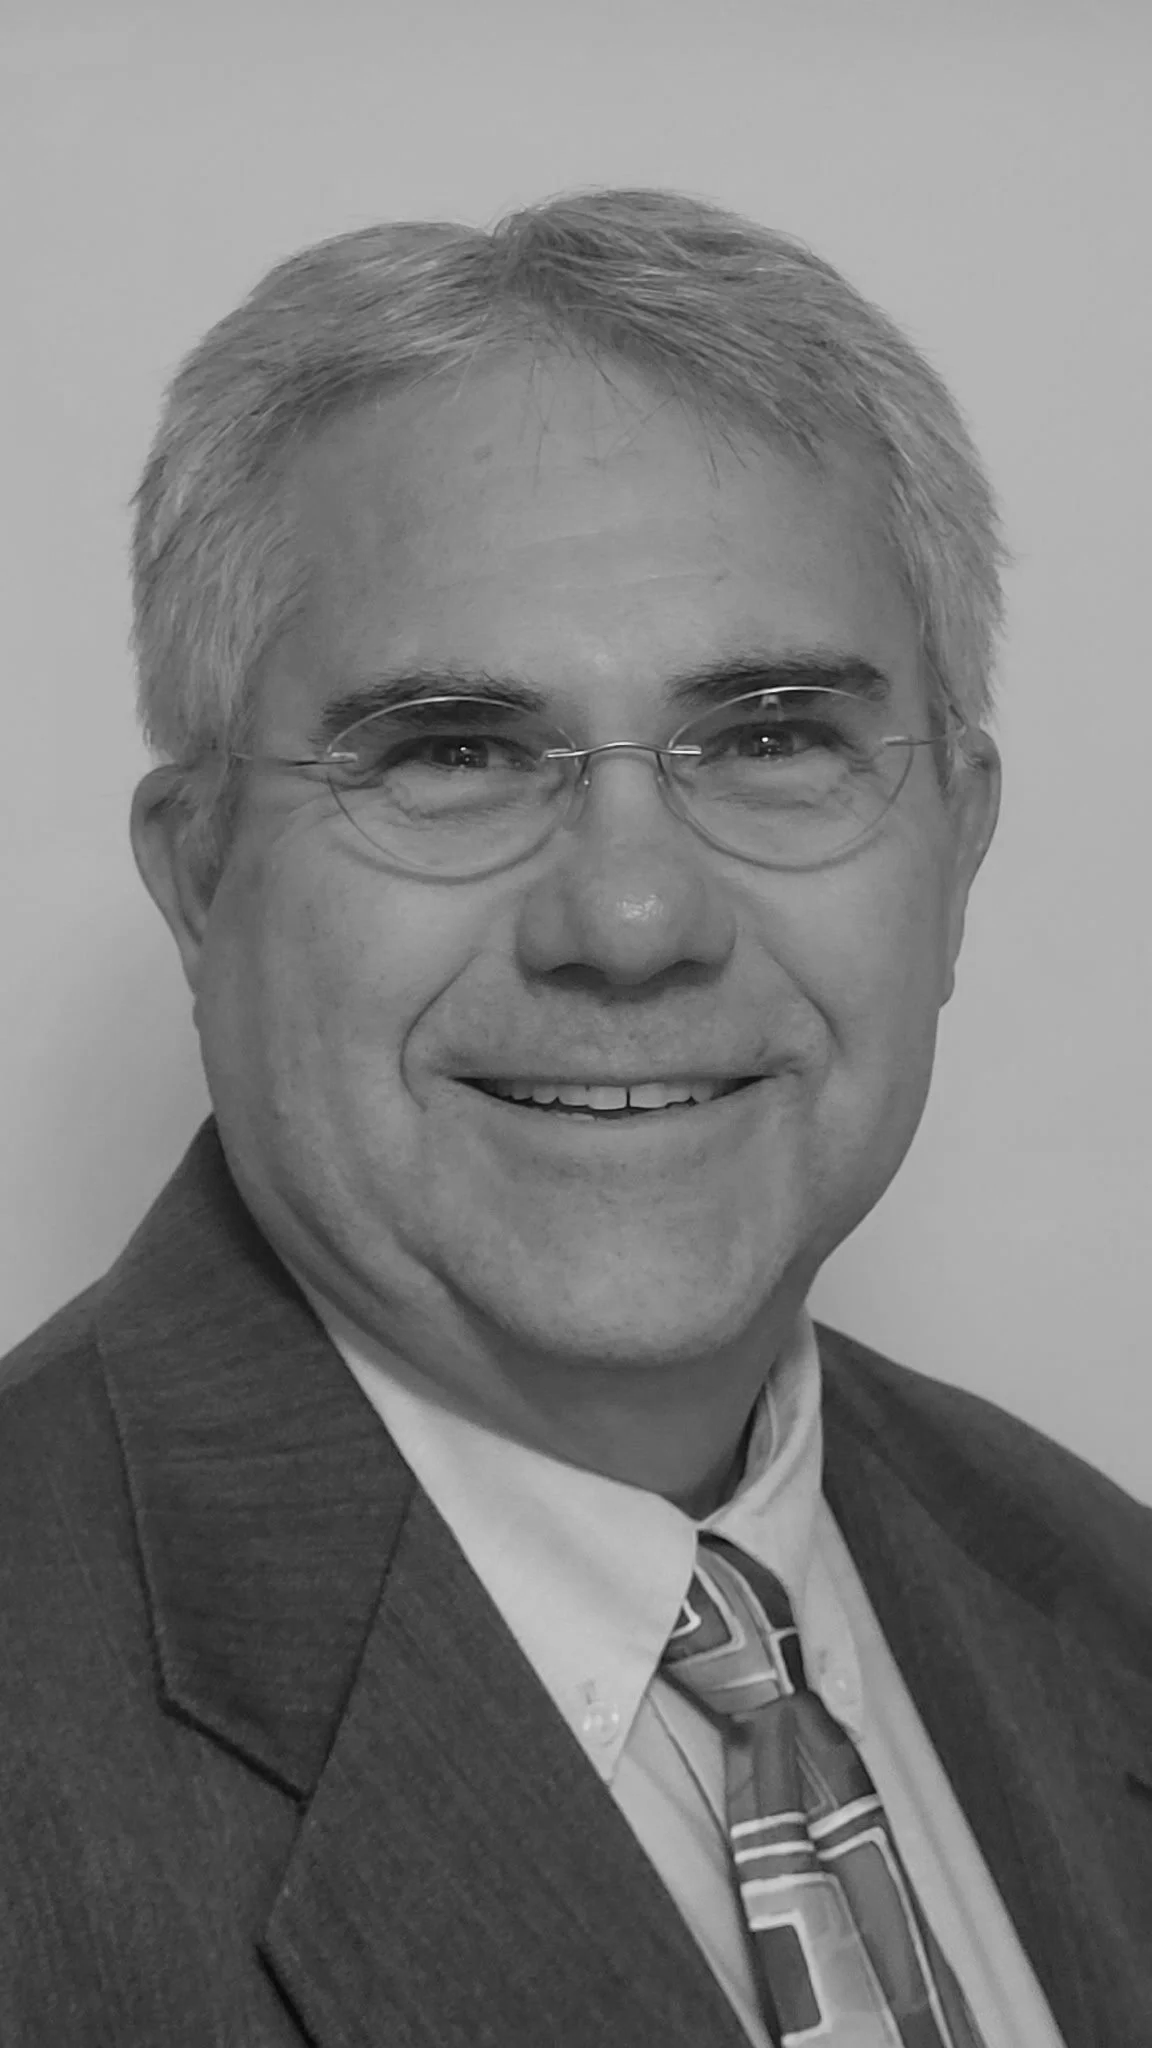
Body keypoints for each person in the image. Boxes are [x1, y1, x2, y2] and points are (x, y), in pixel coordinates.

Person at [0, 186, 1147, 2048]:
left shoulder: (1101, 1590)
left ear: (957, 852)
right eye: (454, 752)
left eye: (770, 738)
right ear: (201, 877)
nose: (629, 919)